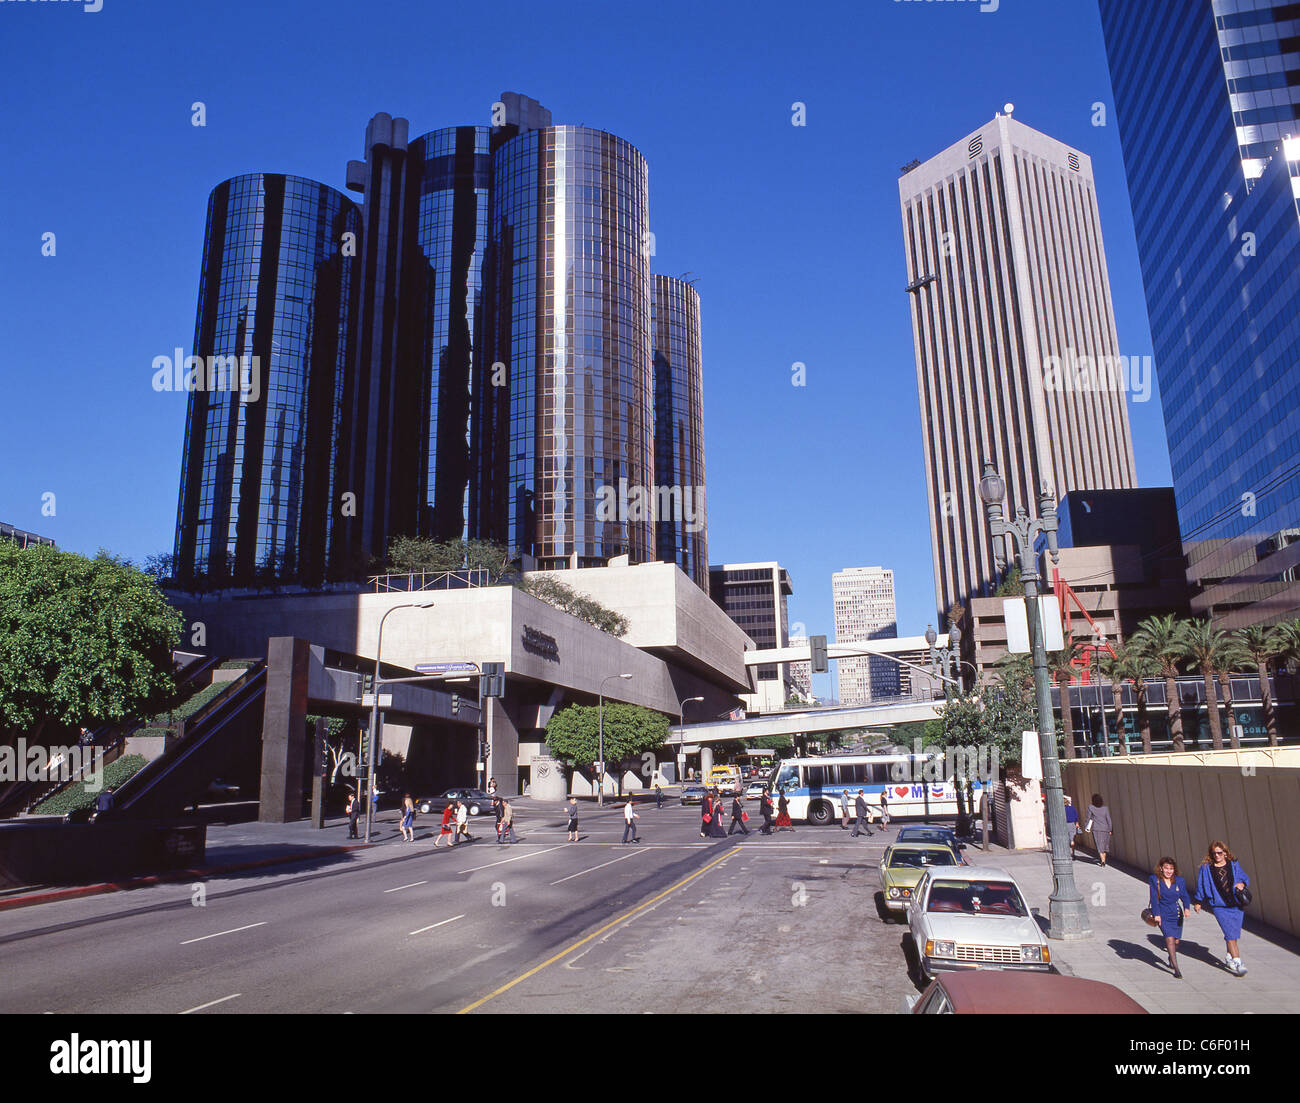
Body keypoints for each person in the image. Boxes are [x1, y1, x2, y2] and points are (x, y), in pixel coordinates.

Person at [1194, 841, 1251, 976]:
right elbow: (1201, 884)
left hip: (1236, 905)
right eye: (1214, 853)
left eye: (1219, 853)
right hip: (1219, 906)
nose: (1217, 855)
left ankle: (1229, 957)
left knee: (1233, 933)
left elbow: (1245, 878)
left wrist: (1241, 884)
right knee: (1230, 934)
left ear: (1225, 853)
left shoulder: (1234, 865)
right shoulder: (1206, 868)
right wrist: (1198, 901)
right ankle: (1238, 963)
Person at [1149, 857, 1194, 978]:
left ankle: (1171, 956)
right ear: (1161, 868)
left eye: (1171, 869)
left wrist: (1187, 908)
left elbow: (1184, 896)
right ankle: (1176, 969)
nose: (1169, 871)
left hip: (1176, 913)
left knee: (1176, 941)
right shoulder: (1155, 880)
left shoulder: (1179, 881)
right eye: (1166, 868)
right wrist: (1156, 914)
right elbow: (1154, 898)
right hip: (1163, 914)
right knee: (1169, 939)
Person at [1086, 794, 1112, 866]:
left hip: (1096, 829)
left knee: (1099, 845)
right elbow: (1109, 819)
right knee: (1105, 845)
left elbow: (1088, 817)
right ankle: (1103, 860)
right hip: (1106, 829)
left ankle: (1103, 861)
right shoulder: (1105, 808)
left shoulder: (1091, 807)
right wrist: (1110, 829)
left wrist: (1086, 826)